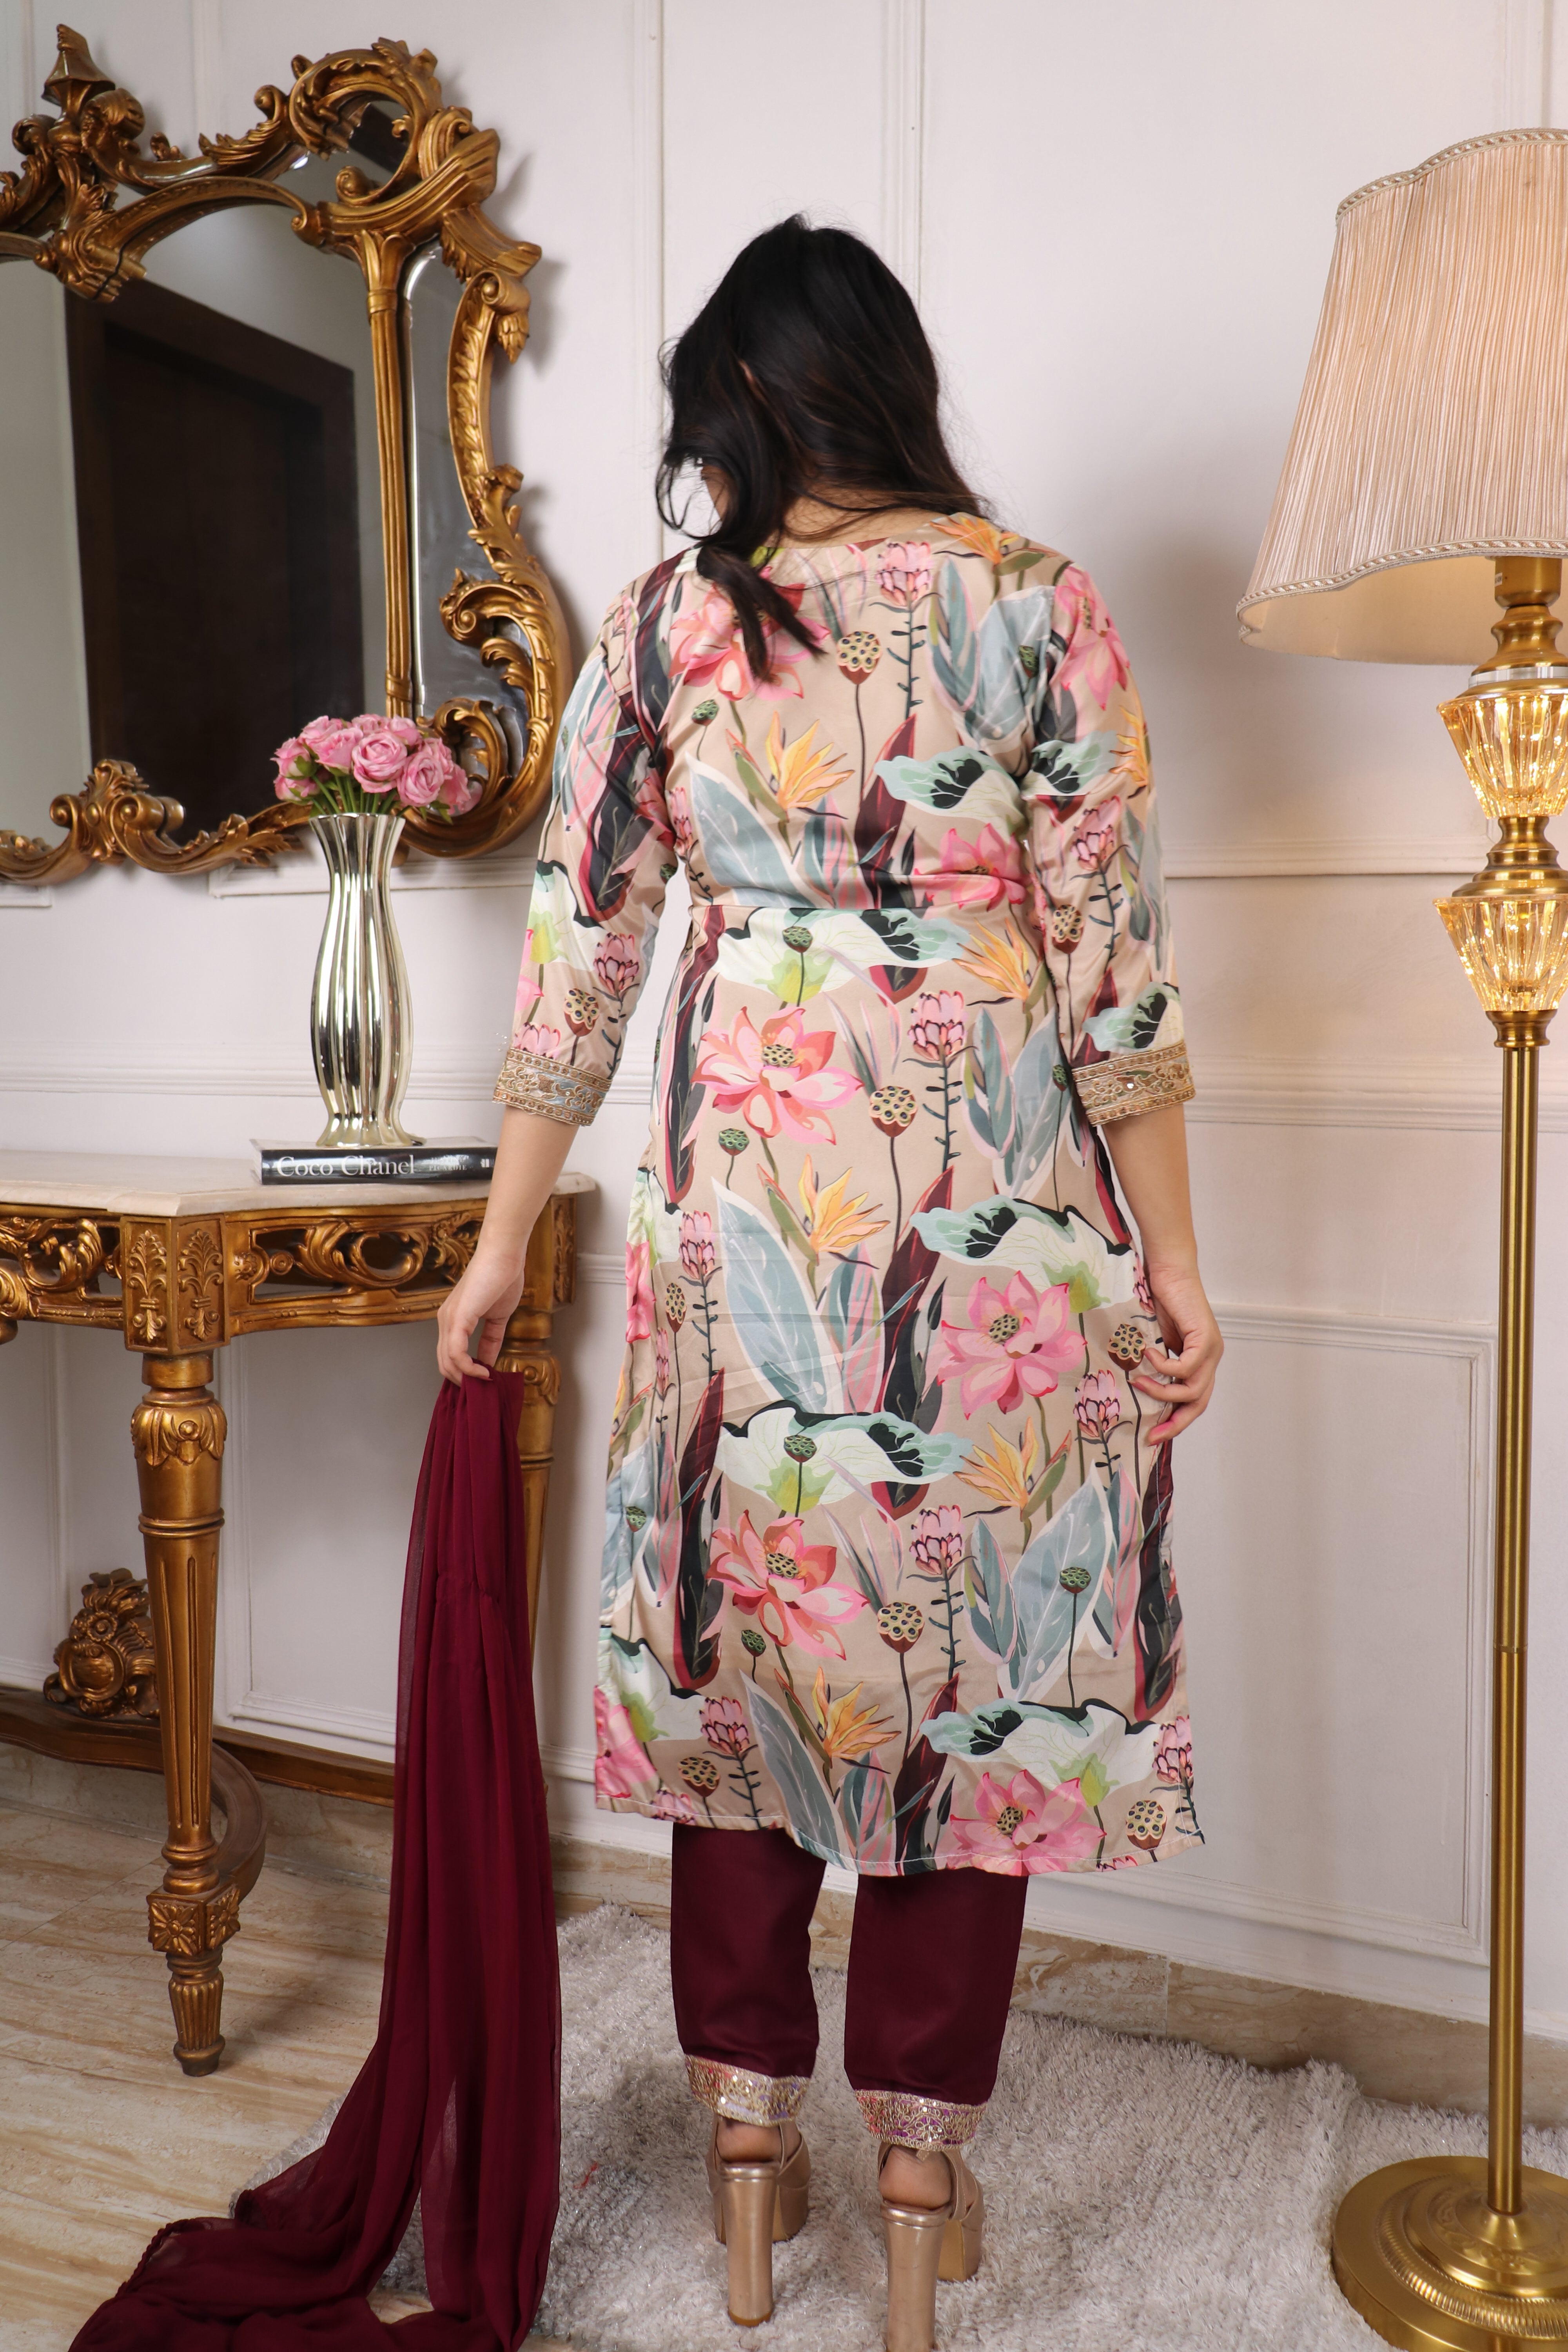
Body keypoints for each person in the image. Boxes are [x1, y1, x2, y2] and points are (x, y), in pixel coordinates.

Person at [437, 215, 1221, 2352]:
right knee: (973, 1682)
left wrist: (502, 1243)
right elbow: (1119, 971)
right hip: (1002, 1232)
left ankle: (746, 2155)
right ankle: (919, 2178)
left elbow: (579, 960)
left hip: (748, 1221)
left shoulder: (667, 624)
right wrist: (1178, 1265)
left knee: (746, 1674)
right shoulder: (1036, 602)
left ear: (757, 399)